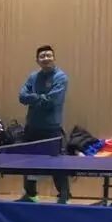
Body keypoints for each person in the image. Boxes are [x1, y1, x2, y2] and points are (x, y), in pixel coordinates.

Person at [18, 45, 70, 203]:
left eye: (48, 55)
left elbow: (51, 101)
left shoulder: (61, 77)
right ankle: (31, 195)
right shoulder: (33, 76)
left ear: (54, 58)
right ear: (37, 60)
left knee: (57, 165)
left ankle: (64, 197)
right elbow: (21, 97)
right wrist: (40, 97)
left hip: (51, 129)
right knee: (29, 163)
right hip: (32, 127)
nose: (46, 58)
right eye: (42, 56)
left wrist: (33, 98)